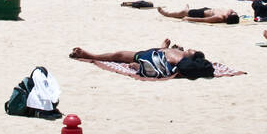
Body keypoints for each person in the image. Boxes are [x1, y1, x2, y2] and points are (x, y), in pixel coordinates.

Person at [69, 39, 210, 79]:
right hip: (152, 53)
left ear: (193, 56)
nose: (192, 48)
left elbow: (165, 65)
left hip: (148, 56)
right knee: (118, 55)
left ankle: (90, 55)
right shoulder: (180, 52)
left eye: (194, 50)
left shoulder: (182, 58)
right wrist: (165, 47)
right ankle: (89, 55)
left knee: (118, 56)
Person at [157, 5, 240, 25]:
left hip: (200, 14)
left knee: (181, 13)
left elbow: (205, 20)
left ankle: (165, 13)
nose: (234, 12)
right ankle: (187, 8)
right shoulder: (228, 13)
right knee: (186, 11)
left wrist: (189, 19)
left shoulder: (219, 17)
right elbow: (231, 10)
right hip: (207, 9)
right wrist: (231, 13)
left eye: (233, 13)